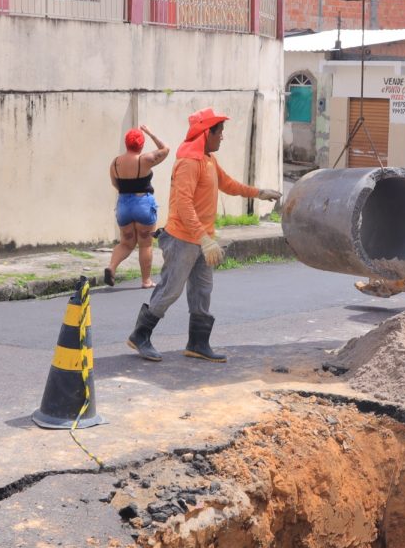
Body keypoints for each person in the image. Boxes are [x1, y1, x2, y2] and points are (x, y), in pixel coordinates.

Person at [125, 108, 280, 363]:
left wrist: (258, 193)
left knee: (202, 291)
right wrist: (204, 238)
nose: (222, 138)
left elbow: (227, 183)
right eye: (220, 133)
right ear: (207, 132)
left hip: (201, 240)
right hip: (183, 239)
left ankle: (198, 343)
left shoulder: (207, 159)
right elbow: (183, 204)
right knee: (170, 290)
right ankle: (140, 335)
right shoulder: (189, 162)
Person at [105, 125, 170, 289]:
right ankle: (146, 280)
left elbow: (115, 184)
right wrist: (150, 132)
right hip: (143, 204)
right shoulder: (145, 159)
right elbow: (166, 149)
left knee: (126, 242)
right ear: (140, 145)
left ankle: (111, 267)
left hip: (124, 205)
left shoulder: (115, 163)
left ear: (126, 144)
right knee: (145, 243)